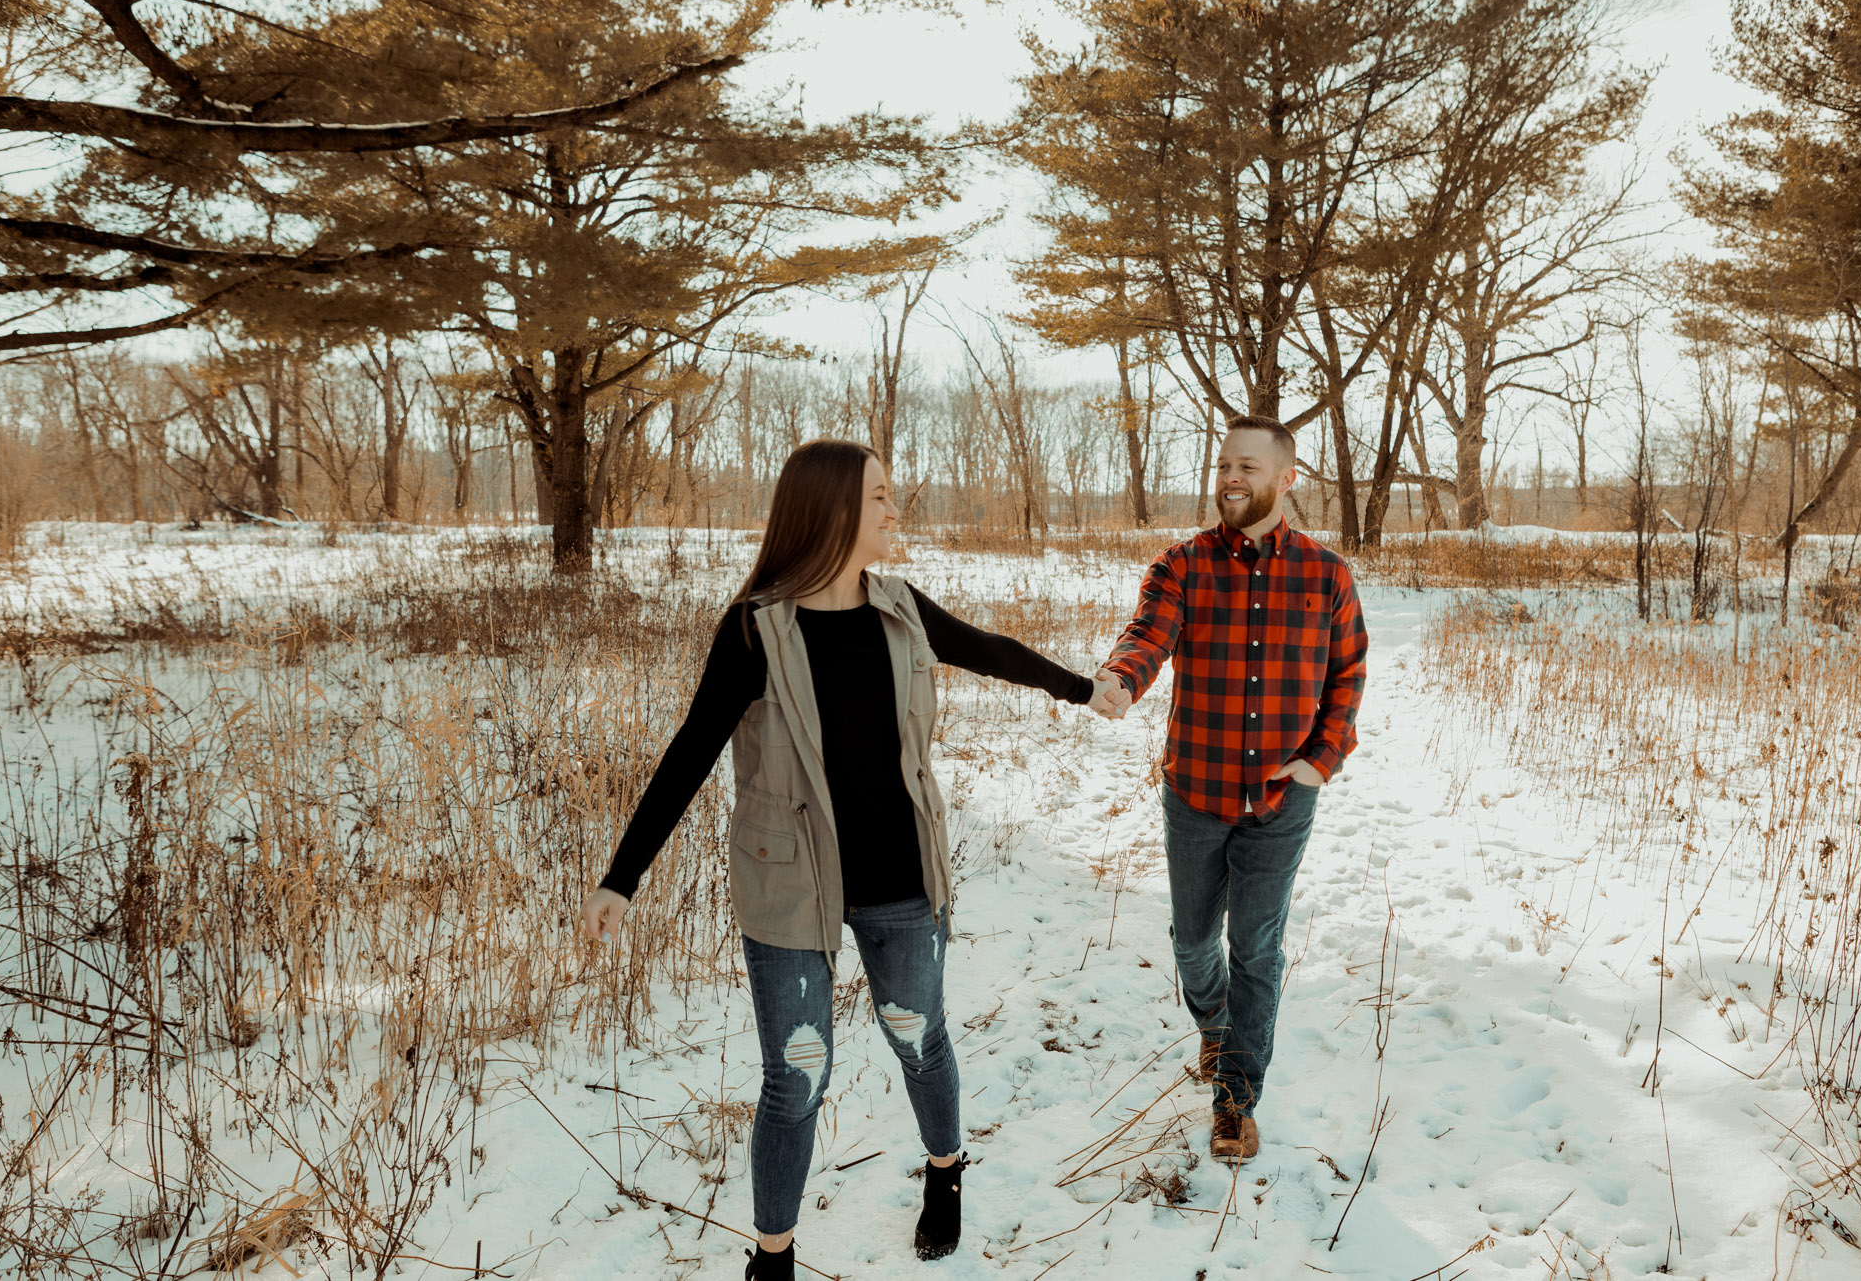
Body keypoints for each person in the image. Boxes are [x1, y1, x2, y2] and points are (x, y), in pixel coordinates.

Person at [579, 439, 1098, 1280]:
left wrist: (1082, 687)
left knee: (919, 1038)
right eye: (882, 497)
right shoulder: (756, 628)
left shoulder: (900, 607)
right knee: (795, 1075)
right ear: (833, 512)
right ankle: (773, 1258)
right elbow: (691, 751)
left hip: (899, 879)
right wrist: (620, 876)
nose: (896, 511)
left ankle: (944, 1173)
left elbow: (992, 649)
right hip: (790, 883)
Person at [1087, 414, 1368, 1164]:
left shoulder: (1327, 574)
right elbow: (1148, 632)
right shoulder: (1181, 565)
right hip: (1197, 792)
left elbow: (1349, 675)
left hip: (1282, 798)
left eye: (1247, 465)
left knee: (1257, 948)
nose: (1231, 477)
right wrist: (1122, 678)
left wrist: (1321, 758)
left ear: (1287, 477)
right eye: (1223, 465)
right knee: (1191, 941)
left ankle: (1236, 1099)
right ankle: (1214, 1025)